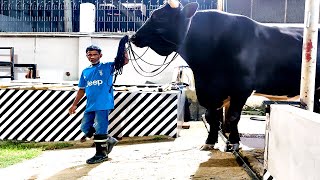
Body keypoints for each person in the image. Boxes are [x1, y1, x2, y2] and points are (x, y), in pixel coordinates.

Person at [69, 45, 128, 164]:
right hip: (90, 104)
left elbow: (124, 61)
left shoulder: (108, 67)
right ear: (86, 56)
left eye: (95, 54)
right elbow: (81, 89)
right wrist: (74, 104)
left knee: (101, 129)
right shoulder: (85, 71)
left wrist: (124, 48)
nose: (92, 57)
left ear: (100, 55)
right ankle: (109, 140)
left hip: (103, 103)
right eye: (89, 55)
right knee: (85, 128)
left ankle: (101, 154)